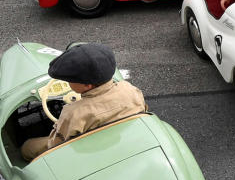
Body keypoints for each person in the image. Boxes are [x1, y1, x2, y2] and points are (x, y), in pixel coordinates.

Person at [20, 44, 148, 162]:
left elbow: (57, 143)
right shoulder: (130, 89)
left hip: (87, 152)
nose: (68, 83)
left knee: (27, 147)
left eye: (70, 80)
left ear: (87, 85)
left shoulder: (73, 113)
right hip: (123, 137)